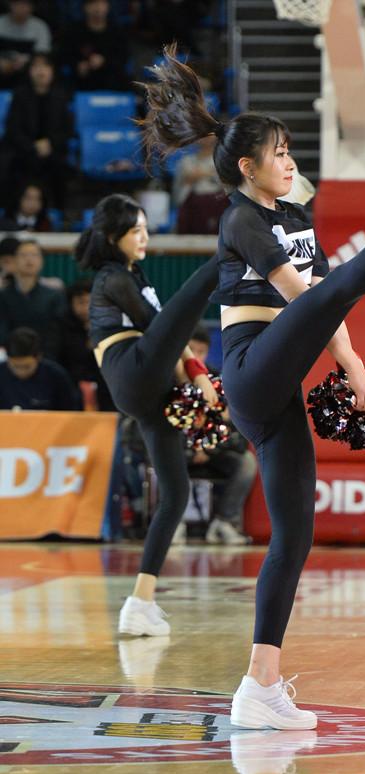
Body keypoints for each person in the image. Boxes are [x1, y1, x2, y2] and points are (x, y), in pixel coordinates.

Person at [139, 46, 365, 730]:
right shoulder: (240, 219)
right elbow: (305, 297)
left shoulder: (296, 219)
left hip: (278, 389)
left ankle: (260, 685)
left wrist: (353, 367)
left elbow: (323, 301)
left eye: (290, 150)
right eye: (278, 153)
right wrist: (344, 348)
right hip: (249, 369)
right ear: (248, 167)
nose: (289, 161)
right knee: (335, 289)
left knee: (294, 535)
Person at [81, 193, 220, 637]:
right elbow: (161, 327)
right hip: (131, 370)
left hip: (149, 386)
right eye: (135, 231)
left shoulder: (134, 274)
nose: (145, 237)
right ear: (112, 237)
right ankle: (234, 244)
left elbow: (168, 334)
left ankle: (140, 603)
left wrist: (196, 377)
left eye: (145, 228)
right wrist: (197, 373)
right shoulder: (112, 278)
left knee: (176, 493)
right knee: (188, 299)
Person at [184, 323, 257, 545]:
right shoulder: (169, 379)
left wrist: (208, 449)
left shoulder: (219, 381)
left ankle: (224, 522)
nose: (197, 356)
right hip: (178, 451)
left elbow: (234, 425)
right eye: (192, 350)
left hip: (214, 450)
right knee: (165, 458)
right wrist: (191, 450)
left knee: (246, 462)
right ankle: (173, 523)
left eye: (202, 351)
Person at [1, 52, 72, 208]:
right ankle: (11, 211)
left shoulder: (60, 95)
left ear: (52, 71)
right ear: (29, 71)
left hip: (51, 149)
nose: (41, 71)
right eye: (36, 66)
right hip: (23, 149)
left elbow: (67, 129)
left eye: (45, 66)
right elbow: (13, 129)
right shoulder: (19, 95)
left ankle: (59, 213)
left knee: (60, 165)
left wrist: (50, 143)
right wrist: (32, 146)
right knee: (10, 163)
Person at [0, 238, 67, 358]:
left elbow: (57, 333)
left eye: (34, 255)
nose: (29, 259)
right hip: (11, 357)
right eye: (23, 255)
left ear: (42, 261)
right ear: (14, 260)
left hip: (46, 357)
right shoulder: (3, 296)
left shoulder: (54, 296)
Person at [59, 278, 115, 411]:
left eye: (91, 302)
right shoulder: (61, 326)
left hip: (106, 386)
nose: (87, 308)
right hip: (72, 384)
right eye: (81, 302)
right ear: (71, 304)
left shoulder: (112, 325)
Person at [57, 0, 130, 90]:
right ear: (85, 7)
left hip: (111, 79)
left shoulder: (117, 32)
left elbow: (123, 58)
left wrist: (104, 61)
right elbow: (63, 56)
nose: (98, 8)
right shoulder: (73, 31)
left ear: (108, 7)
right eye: (93, 3)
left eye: (102, 3)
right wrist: (77, 65)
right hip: (81, 80)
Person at [0, 326, 78, 410]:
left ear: (38, 357)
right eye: (15, 366)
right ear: (7, 359)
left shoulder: (56, 376)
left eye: (26, 366)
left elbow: (71, 411)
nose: (21, 372)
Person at [172, 135, 229, 235]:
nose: (205, 137)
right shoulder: (186, 161)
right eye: (202, 134)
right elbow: (179, 191)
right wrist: (206, 173)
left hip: (217, 205)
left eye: (209, 134)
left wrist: (204, 174)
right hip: (193, 207)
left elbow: (228, 185)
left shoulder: (224, 161)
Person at [0, 0, 51, 88]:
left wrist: (25, 62)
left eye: (25, 4)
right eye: (17, 3)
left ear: (31, 7)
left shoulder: (40, 26)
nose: (21, 7)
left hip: (29, 70)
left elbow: (42, 55)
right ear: (10, 5)